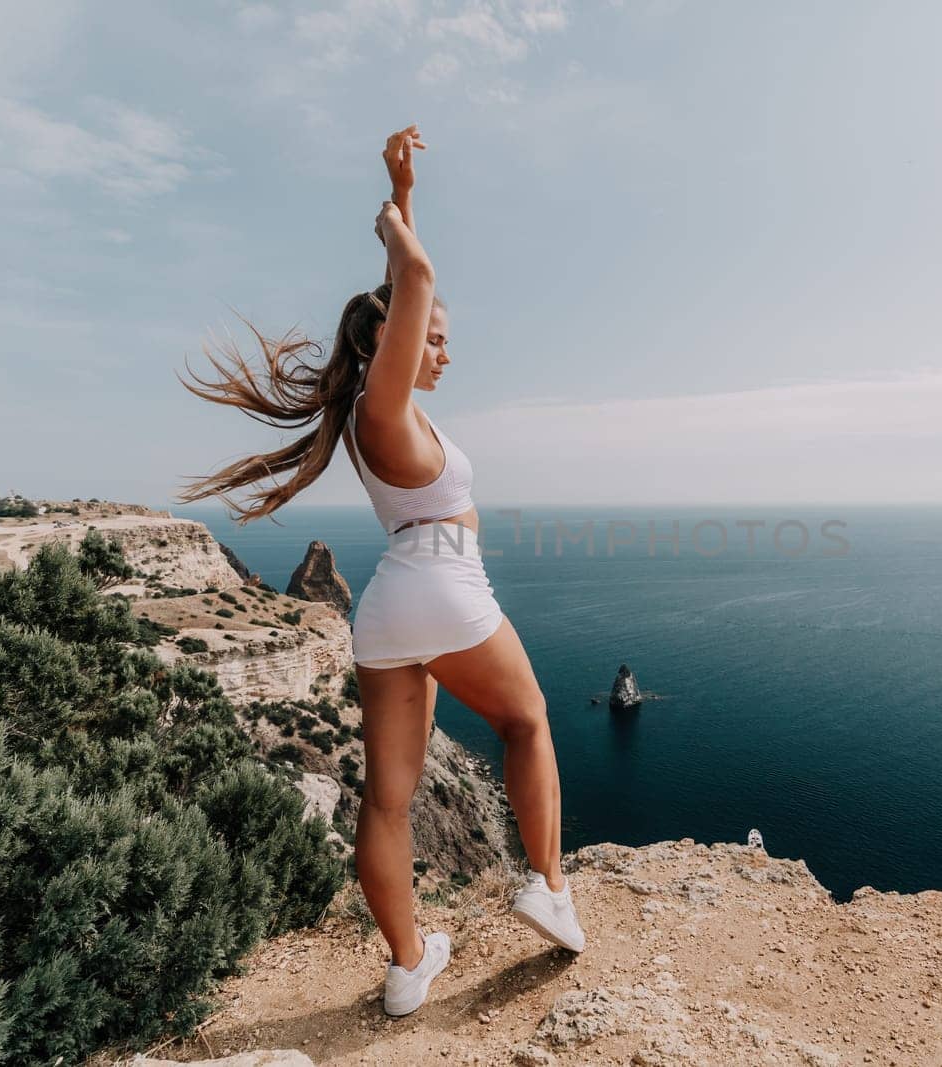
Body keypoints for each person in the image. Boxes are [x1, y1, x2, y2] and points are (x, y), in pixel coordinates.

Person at [175, 125, 586, 1018]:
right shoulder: (383, 406)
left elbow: (406, 288)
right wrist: (400, 234)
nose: (443, 350)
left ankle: (407, 969)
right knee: (528, 721)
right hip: (443, 582)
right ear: (393, 340)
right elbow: (418, 283)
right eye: (431, 338)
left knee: (388, 799)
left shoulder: (373, 415)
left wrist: (400, 199)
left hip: (391, 607)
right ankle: (548, 886)